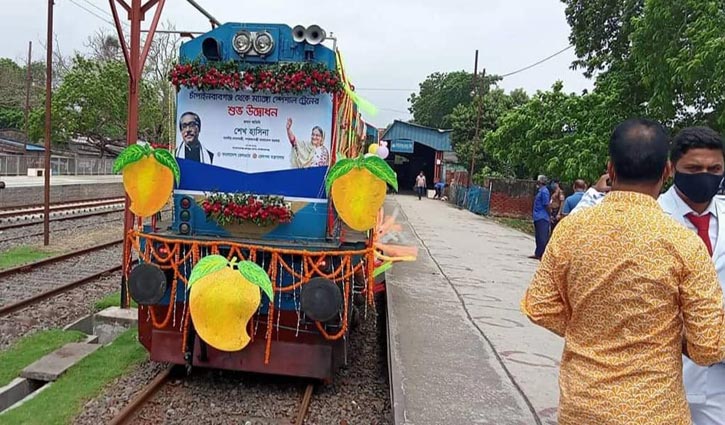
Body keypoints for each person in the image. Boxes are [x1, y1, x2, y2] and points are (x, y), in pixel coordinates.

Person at [521, 119, 725, 425]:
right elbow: (708, 346)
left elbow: (540, 307)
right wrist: (667, 336)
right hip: (655, 410)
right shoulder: (685, 243)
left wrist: (589, 328)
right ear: (667, 171)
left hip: (584, 404)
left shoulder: (571, 230)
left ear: (611, 169)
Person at [530, 175, 550, 260]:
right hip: (538, 216)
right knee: (538, 236)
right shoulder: (540, 191)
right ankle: (538, 253)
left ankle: (543, 255)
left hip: (543, 217)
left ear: (541, 181)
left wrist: (550, 214)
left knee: (542, 237)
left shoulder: (544, 191)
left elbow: (546, 204)